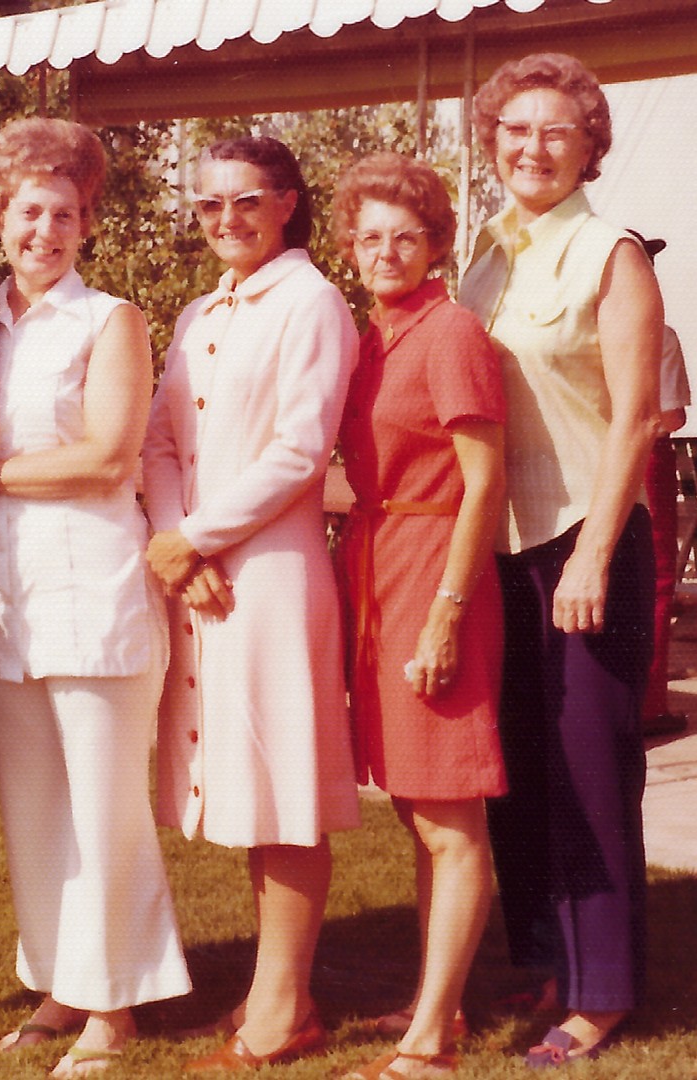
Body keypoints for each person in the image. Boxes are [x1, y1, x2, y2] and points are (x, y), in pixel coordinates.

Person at [0, 116, 191, 1078]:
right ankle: (62, 984)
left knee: (104, 805)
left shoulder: (110, 320)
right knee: (32, 805)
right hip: (2, 596)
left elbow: (106, 458)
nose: (44, 232)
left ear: (86, 224)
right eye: (28, 213)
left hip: (93, 589)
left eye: (64, 215)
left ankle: (116, 1007)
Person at [459, 52, 663, 1065]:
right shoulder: (484, 254)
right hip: (497, 545)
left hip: (586, 541)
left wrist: (590, 555)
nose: (530, 147)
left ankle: (602, 992)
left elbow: (636, 419)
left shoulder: (609, 254)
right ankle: (545, 958)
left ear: (589, 146)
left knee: (587, 774)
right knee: (518, 769)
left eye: (553, 130)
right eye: (513, 129)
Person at [141, 135, 361, 1071]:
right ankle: (279, 991)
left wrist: (194, 538)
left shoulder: (312, 302)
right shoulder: (199, 312)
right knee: (243, 784)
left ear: (285, 204)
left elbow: (301, 450)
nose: (225, 219)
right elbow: (158, 444)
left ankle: (281, 1011)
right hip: (201, 572)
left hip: (268, 576)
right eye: (208, 204)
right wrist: (175, 544)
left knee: (282, 785)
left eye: (245, 200)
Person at [330, 152, 507, 1080]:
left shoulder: (450, 332)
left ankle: (431, 1039)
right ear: (349, 246)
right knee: (416, 807)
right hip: (376, 566)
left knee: (447, 813)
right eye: (369, 236)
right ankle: (441, 1000)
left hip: (434, 573)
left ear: (435, 244)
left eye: (405, 236)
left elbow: (484, 483)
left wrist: (446, 611)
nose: (385, 251)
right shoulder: (372, 337)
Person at [626, 232, 690, 738]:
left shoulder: (584, 330)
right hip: (645, 455)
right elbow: (670, 417)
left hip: (591, 452)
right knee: (657, 577)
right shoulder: (659, 335)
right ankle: (646, 705)